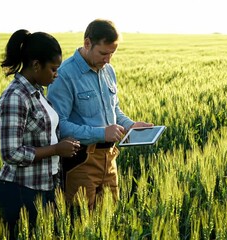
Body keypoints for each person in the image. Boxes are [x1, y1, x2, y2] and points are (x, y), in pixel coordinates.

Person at [47, 19, 153, 209]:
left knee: (109, 219)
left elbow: (115, 110)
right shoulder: (65, 74)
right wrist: (102, 133)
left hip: (110, 158)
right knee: (80, 222)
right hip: (81, 161)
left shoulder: (108, 70)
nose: (108, 59)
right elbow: (57, 126)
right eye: (103, 53)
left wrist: (130, 126)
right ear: (87, 43)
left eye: (112, 53)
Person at [0, 29, 80, 239]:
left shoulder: (37, 92)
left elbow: (41, 134)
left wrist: (62, 143)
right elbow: (11, 153)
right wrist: (56, 149)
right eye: (53, 69)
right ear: (35, 65)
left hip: (46, 185)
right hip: (22, 189)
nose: (56, 75)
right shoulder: (16, 97)